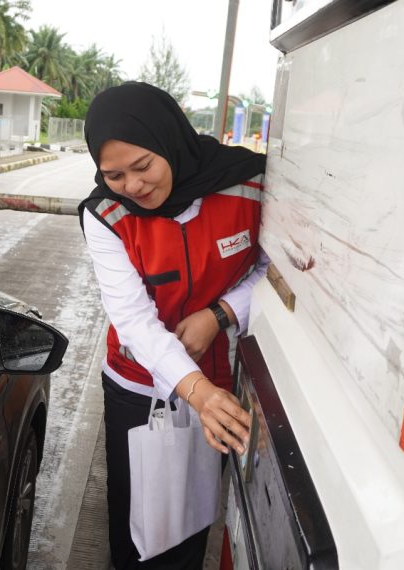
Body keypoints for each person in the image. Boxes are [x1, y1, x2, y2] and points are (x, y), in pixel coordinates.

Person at [79, 82, 268, 569]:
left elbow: (277, 271)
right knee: (141, 528)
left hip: (224, 377)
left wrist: (220, 315)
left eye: (142, 166)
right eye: (114, 175)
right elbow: (134, 321)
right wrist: (198, 395)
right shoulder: (106, 216)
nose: (133, 187)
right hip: (138, 388)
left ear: (170, 140)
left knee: (193, 516)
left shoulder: (248, 186)